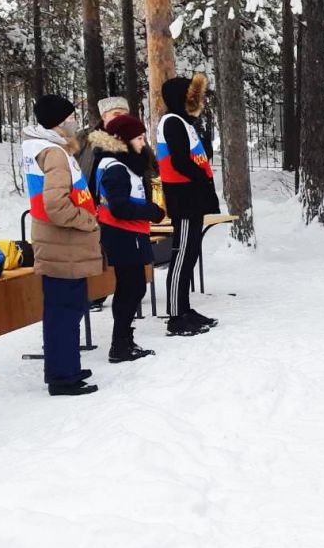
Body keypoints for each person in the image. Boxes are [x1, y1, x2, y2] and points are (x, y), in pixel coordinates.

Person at [22, 95, 101, 396]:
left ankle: (64, 366)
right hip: (62, 243)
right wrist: (86, 219)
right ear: (58, 121)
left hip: (57, 243)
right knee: (65, 311)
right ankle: (63, 377)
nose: (74, 121)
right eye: (70, 116)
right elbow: (55, 204)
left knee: (64, 310)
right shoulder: (53, 153)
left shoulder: (42, 148)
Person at [90, 114, 166, 360]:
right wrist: (151, 211)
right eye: (140, 138)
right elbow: (119, 207)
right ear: (123, 140)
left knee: (133, 288)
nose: (144, 143)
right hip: (123, 234)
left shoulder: (124, 162)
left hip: (132, 233)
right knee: (130, 289)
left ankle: (123, 340)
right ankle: (120, 343)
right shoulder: (114, 166)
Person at [157, 74, 220, 335]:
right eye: (191, 96)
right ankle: (175, 315)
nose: (197, 101)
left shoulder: (184, 122)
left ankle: (184, 308)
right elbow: (180, 161)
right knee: (182, 254)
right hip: (183, 197)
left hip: (193, 197)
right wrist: (200, 176)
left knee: (191, 252)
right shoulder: (171, 122)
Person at [75, 96, 130, 182]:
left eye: (125, 115)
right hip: (90, 193)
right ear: (104, 116)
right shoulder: (83, 137)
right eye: (117, 114)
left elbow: (150, 168)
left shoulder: (135, 137)